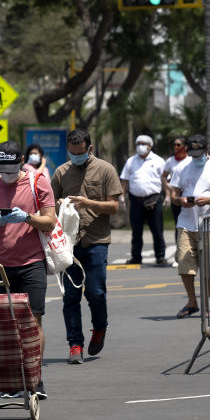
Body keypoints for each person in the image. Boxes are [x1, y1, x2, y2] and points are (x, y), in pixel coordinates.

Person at [0, 140, 57, 397]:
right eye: (2, 171)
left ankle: (34, 378)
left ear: (21, 162)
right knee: (8, 325)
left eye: (11, 170)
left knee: (33, 321)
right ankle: (13, 378)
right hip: (1, 264)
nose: (6, 176)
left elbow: (50, 221)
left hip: (32, 263)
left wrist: (27, 217)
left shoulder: (38, 182)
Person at [52, 130, 122, 364]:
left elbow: (114, 206)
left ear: (89, 149)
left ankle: (100, 327)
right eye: (72, 153)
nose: (76, 157)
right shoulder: (61, 172)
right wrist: (59, 203)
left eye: (80, 153)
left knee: (96, 293)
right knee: (70, 297)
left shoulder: (106, 169)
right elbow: (49, 205)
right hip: (69, 245)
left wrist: (87, 203)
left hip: (96, 241)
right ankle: (75, 345)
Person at [169, 135, 210, 319]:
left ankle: (205, 303)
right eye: (193, 154)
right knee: (184, 263)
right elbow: (174, 193)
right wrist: (180, 200)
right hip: (186, 223)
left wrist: (209, 200)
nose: (197, 158)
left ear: (207, 149)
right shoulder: (182, 167)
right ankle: (192, 301)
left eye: (200, 153)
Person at [121, 135, 167, 266]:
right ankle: (136, 257)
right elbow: (124, 179)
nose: (140, 146)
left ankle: (160, 256)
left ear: (150, 146)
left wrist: (168, 195)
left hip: (154, 200)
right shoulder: (131, 161)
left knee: (157, 230)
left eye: (143, 143)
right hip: (135, 200)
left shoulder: (158, 161)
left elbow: (165, 181)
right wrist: (121, 196)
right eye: (138, 143)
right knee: (136, 231)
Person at [161, 135, 190, 267]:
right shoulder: (170, 161)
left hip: (190, 196)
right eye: (174, 145)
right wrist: (169, 188)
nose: (176, 147)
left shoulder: (190, 160)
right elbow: (164, 176)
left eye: (179, 145)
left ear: (185, 147)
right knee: (178, 226)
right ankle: (179, 256)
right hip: (176, 197)